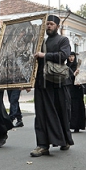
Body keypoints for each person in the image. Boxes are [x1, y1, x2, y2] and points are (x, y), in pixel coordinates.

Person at [30, 15, 74, 157]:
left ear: (57, 26)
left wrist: (45, 55)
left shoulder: (63, 40)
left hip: (58, 83)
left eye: (51, 24)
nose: (49, 26)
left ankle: (64, 140)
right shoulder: (41, 42)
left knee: (60, 112)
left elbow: (64, 55)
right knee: (41, 115)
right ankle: (42, 145)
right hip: (42, 84)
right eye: (47, 24)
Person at [68, 52, 86, 132]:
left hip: (77, 89)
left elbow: (83, 76)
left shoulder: (78, 66)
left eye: (72, 56)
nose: (71, 58)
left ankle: (78, 125)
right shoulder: (66, 67)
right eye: (69, 56)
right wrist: (73, 75)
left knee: (78, 107)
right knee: (70, 107)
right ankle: (70, 124)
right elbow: (66, 77)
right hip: (69, 89)